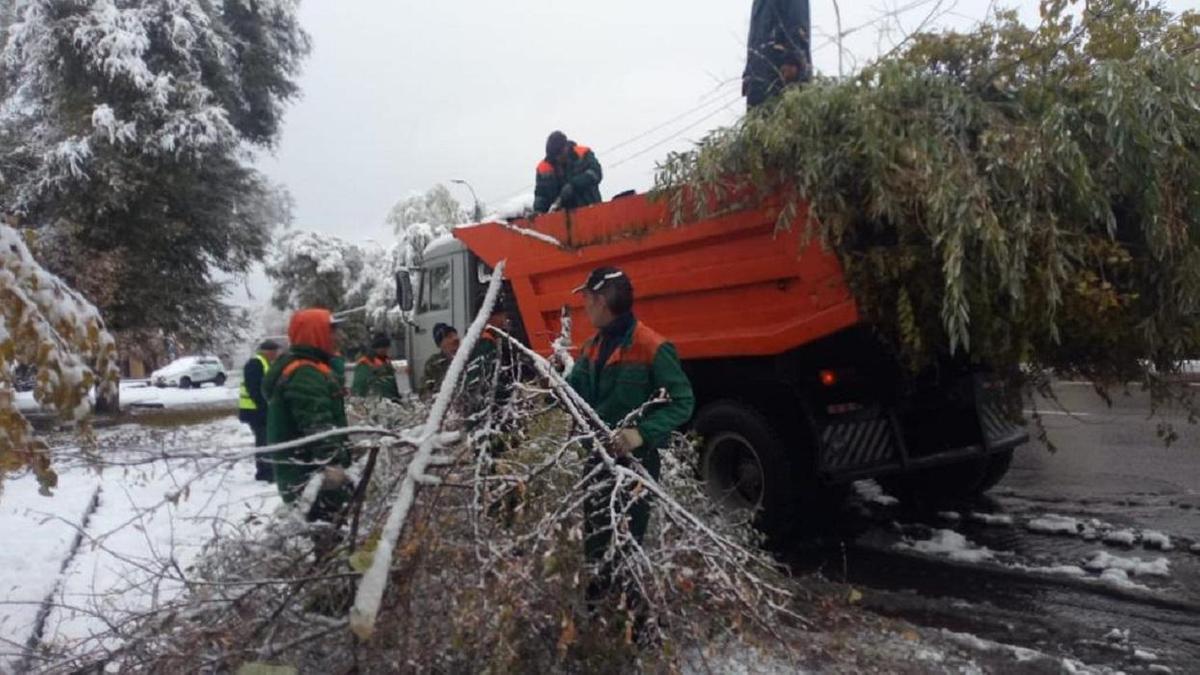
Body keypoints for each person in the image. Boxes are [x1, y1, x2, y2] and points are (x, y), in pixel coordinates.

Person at [564, 267, 695, 626]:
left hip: (636, 466)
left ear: (602, 301)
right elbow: (570, 391)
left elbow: (683, 402)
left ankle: (637, 627)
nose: (585, 308)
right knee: (594, 538)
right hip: (596, 460)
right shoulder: (592, 347)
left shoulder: (652, 347)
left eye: (587, 300)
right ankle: (596, 616)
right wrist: (549, 385)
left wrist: (642, 433)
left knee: (627, 543)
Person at [262, 308, 353, 522]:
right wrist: (333, 464)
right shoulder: (305, 372)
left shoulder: (311, 367)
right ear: (315, 333)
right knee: (327, 535)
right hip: (309, 476)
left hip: (305, 474)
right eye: (331, 331)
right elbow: (317, 426)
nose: (337, 337)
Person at [744, 0, 812, 109]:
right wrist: (748, 74)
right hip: (759, 76)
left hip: (781, 71)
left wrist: (792, 60)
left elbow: (797, 22)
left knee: (785, 113)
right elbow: (755, 39)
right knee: (761, 117)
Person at [238, 339, 281, 482]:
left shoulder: (265, 363)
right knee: (263, 441)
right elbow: (254, 389)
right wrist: (264, 409)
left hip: (258, 410)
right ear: (268, 352)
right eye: (275, 352)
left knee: (265, 440)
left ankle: (265, 471)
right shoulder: (255, 363)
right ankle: (265, 472)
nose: (276, 354)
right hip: (255, 411)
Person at [533, 131, 603, 213]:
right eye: (555, 156)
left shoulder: (583, 154)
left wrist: (574, 185)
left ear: (566, 146)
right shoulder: (544, 168)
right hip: (561, 218)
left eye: (559, 154)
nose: (558, 158)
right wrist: (538, 211)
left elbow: (596, 173)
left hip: (591, 210)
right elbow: (541, 195)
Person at [351, 334, 401, 400]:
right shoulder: (365, 362)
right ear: (376, 348)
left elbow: (392, 381)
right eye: (382, 347)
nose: (385, 350)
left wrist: (396, 396)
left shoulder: (386, 361)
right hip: (373, 400)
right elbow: (360, 385)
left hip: (389, 399)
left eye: (386, 347)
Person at [421, 323, 460, 396]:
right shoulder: (433, 364)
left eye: (455, 335)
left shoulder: (467, 357)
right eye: (449, 337)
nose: (456, 339)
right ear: (441, 344)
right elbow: (424, 392)